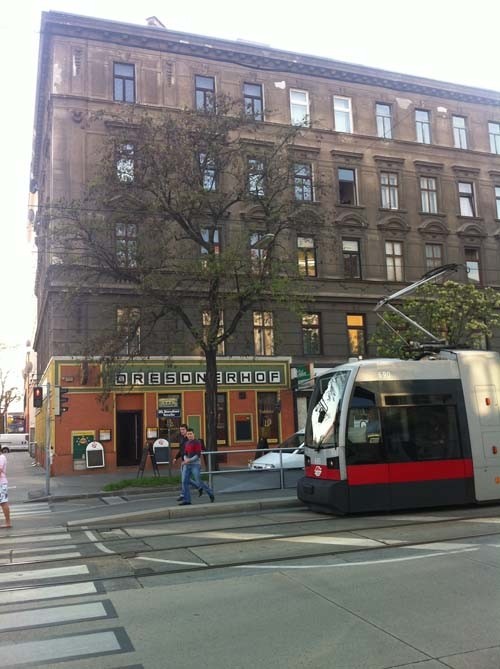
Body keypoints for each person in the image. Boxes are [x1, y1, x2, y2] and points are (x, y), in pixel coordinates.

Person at [179, 428, 215, 505]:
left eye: (191, 434)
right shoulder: (187, 443)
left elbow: (198, 455)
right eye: (188, 434)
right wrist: (186, 460)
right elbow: (185, 453)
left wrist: (188, 460)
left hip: (195, 464)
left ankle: (210, 493)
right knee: (184, 481)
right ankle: (187, 500)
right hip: (187, 464)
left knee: (198, 480)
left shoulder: (197, 442)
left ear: (193, 434)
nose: (189, 435)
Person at [173, 423, 203, 501]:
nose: (181, 431)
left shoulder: (189, 439)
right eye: (180, 430)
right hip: (184, 461)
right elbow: (181, 450)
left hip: (190, 462)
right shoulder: (182, 438)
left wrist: (188, 460)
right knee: (185, 480)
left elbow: (197, 452)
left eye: (183, 430)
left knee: (184, 480)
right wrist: (176, 458)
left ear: (186, 430)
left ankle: (184, 494)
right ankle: (198, 487)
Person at [0, 451, 11, 529]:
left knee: (3, 502)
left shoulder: (1, 458)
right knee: (3, 502)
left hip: (1, 483)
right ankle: (8, 522)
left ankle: (8, 522)